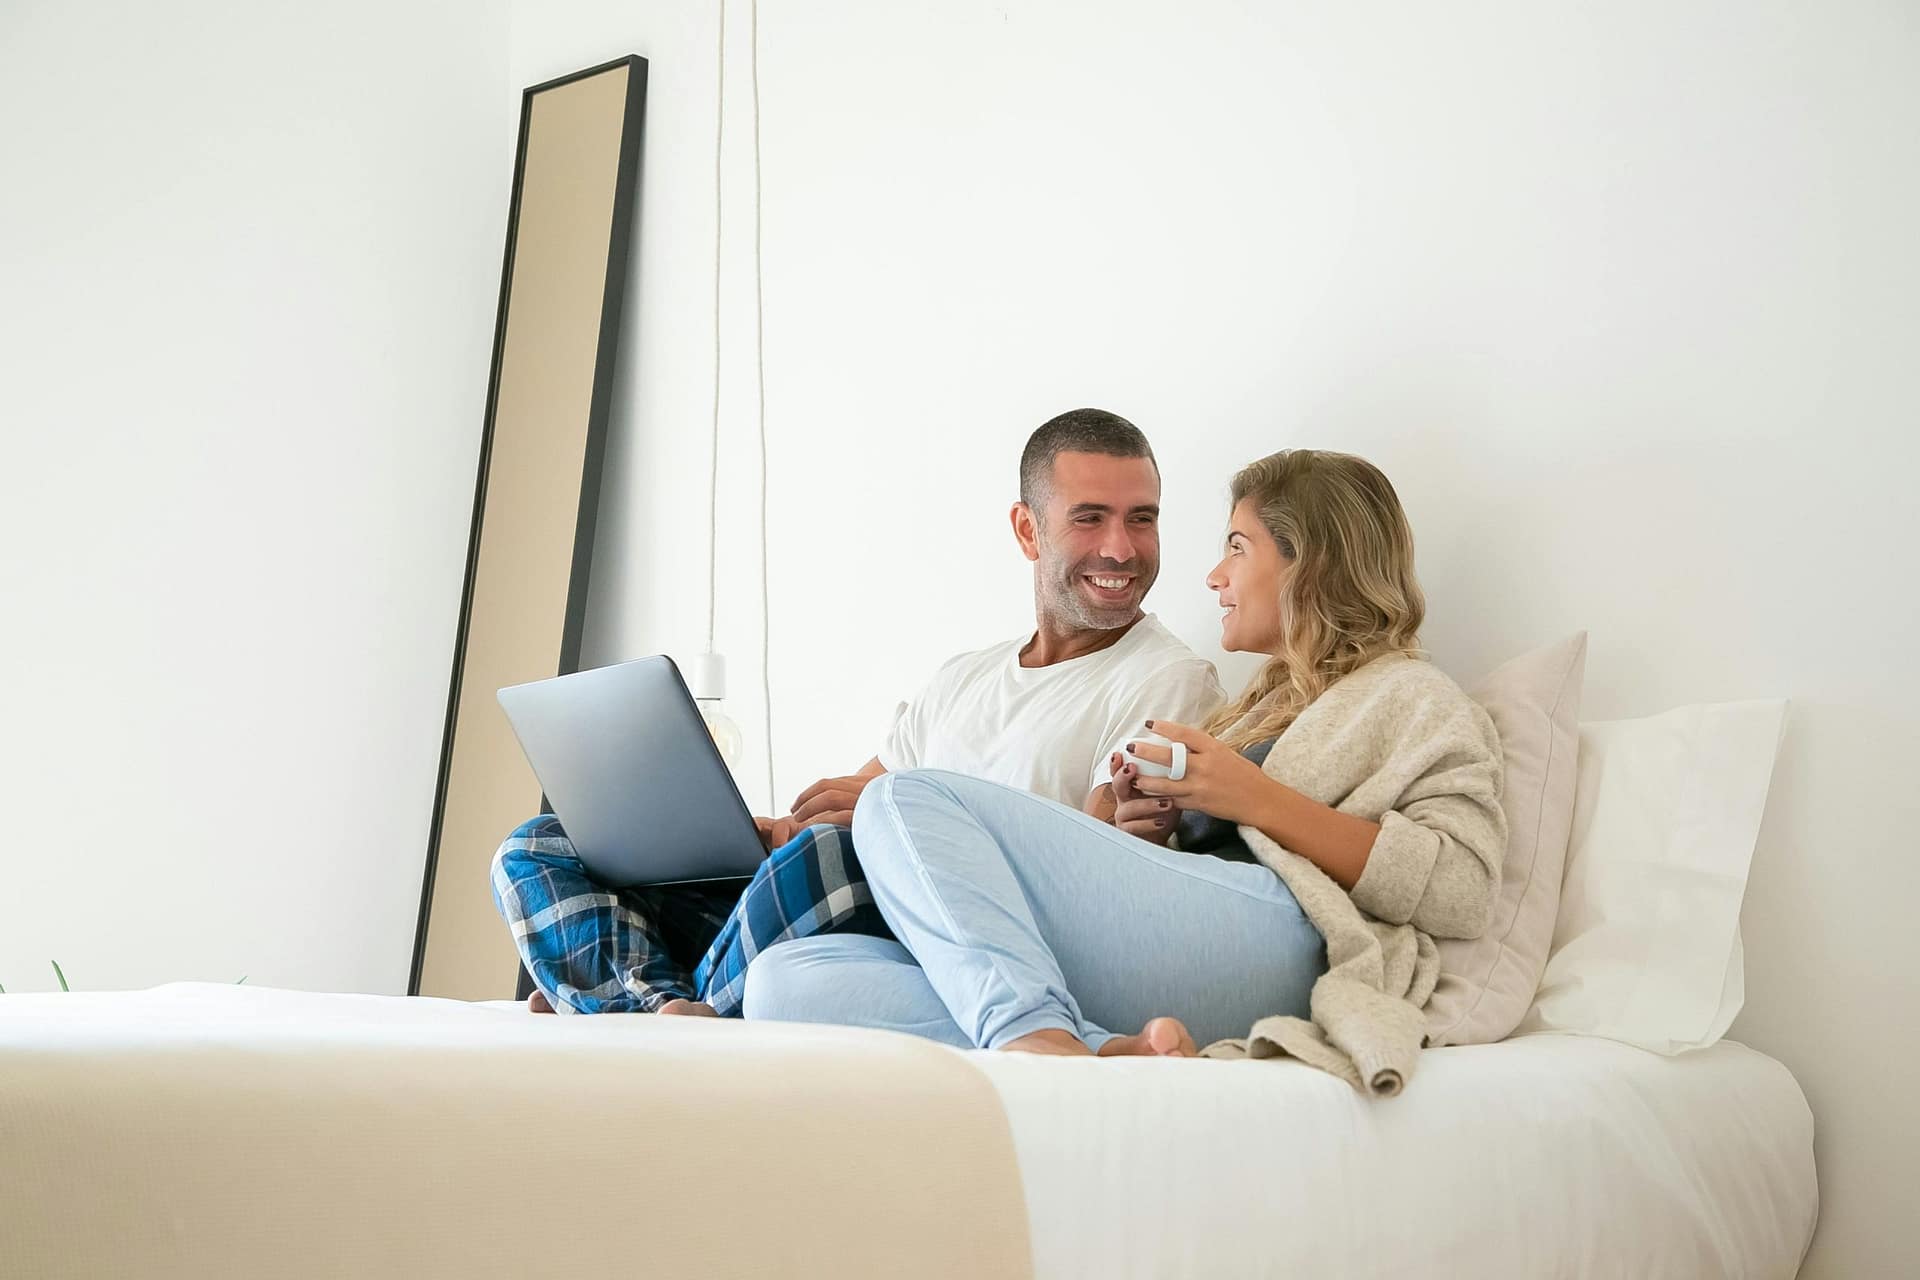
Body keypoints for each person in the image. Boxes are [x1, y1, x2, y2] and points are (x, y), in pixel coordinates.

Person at [740, 448, 1507, 1059]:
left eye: (1238, 548)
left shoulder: (1414, 696)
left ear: (1311, 563)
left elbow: (1463, 889)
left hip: (1288, 941)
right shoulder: (1262, 703)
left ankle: (1031, 1036)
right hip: (1193, 940)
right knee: (787, 983)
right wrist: (1145, 825)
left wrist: (1247, 795)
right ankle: (1102, 1051)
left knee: (904, 798)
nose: (1213, 576)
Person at [490, 409, 1226, 1016]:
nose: (1121, 549)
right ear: (1028, 531)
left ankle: (630, 1001)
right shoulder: (963, 678)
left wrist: (856, 832)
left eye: (1142, 519)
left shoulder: (1168, 679)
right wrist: (765, 832)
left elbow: (1098, 871)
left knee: (834, 856)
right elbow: (852, 800)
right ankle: (659, 1007)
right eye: (1091, 519)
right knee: (540, 846)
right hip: (820, 898)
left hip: (935, 927)